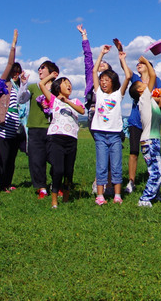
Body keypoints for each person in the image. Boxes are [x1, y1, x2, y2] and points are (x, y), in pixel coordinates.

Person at [90, 36, 131, 205]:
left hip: (115, 135)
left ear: (113, 82)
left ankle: (117, 195)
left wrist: (122, 59)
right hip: (100, 134)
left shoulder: (118, 94)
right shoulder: (98, 93)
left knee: (116, 165)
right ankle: (100, 196)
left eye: (107, 80)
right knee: (101, 165)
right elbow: (94, 71)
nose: (103, 82)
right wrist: (101, 53)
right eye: (102, 80)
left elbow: (128, 76)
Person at [38, 71, 84, 208]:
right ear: (58, 87)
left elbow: (81, 111)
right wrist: (52, 76)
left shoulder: (75, 101)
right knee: (58, 170)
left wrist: (68, 101)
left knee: (68, 171)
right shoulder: (53, 100)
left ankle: (66, 198)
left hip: (72, 139)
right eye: (65, 83)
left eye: (70, 84)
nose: (69, 85)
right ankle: (54, 200)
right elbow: (41, 84)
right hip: (56, 138)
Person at [131, 56, 161, 207]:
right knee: (157, 171)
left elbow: (159, 104)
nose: (145, 84)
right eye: (142, 84)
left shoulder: (150, 102)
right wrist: (145, 61)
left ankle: (156, 194)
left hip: (153, 140)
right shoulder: (143, 98)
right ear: (140, 90)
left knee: (156, 168)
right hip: (149, 141)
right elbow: (153, 75)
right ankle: (145, 198)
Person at [125, 51, 161, 194]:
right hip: (137, 122)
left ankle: (153, 184)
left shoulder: (154, 83)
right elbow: (128, 72)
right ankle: (133, 183)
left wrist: (160, 101)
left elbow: (158, 99)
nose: (138, 64)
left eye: (142, 64)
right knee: (135, 152)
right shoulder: (141, 87)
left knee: (152, 159)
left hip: (150, 124)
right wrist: (123, 56)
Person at [0, 32, 27, 193]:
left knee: (12, 157)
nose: (15, 74)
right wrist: (14, 43)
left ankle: (8, 182)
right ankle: (2, 184)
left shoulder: (20, 86)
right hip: (4, 124)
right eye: (14, 71)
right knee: (4, 156)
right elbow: (9, 63)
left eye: (18, 72)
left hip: (16, 125)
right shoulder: (5, 84)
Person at [26, 56, 54, 200]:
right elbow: (21, 99)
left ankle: (56, 184)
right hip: (35, 128)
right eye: (39, 68)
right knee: (37, 159)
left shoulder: (56, 87)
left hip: (53, 129)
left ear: (52, 72)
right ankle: (41, 187)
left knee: (55, 158)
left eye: (43, 67)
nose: (40, 70)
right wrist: (24, 84)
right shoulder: (33, 87)